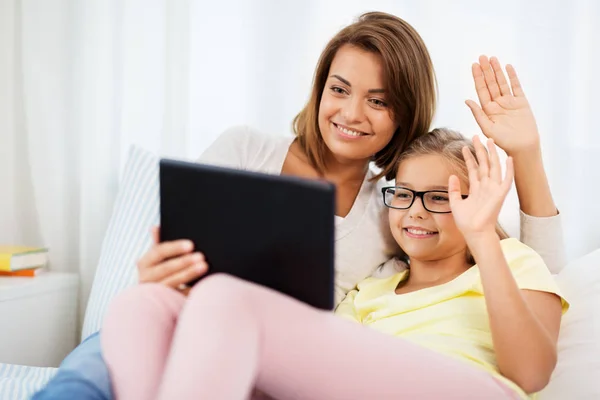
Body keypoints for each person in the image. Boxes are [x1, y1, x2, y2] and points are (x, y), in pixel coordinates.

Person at [32, 11, 564, 400]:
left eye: (379, 101)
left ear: (403, 116)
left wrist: (526, 158)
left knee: (223, 300)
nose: (352, 113)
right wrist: (158, 275)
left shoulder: (398, 216)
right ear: (319, 89)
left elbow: (537, 278)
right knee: (134, 307)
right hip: (207, 331)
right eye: (340, 89)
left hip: (269, 337)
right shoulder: (371, 280)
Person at [101, 126, 569, 399]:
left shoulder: (508, 259)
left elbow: (531, 374)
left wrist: (481, 234)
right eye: (403, 195)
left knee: (225, 298)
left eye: (441, 198)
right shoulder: (371, 290)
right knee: (140, 306)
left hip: (473, 390)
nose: (416, 211)